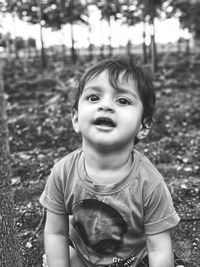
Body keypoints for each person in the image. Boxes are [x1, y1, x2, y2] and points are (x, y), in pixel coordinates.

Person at [40, 58, 185, 267]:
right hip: (82, 255)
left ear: (143, 126)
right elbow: (56, 232)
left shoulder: (149, 184)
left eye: (123, 101)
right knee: (55, 259)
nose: (105, 105)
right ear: (75, 119)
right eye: (93, 97)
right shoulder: (63, 172)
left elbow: (158, 247)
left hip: (132, 260)